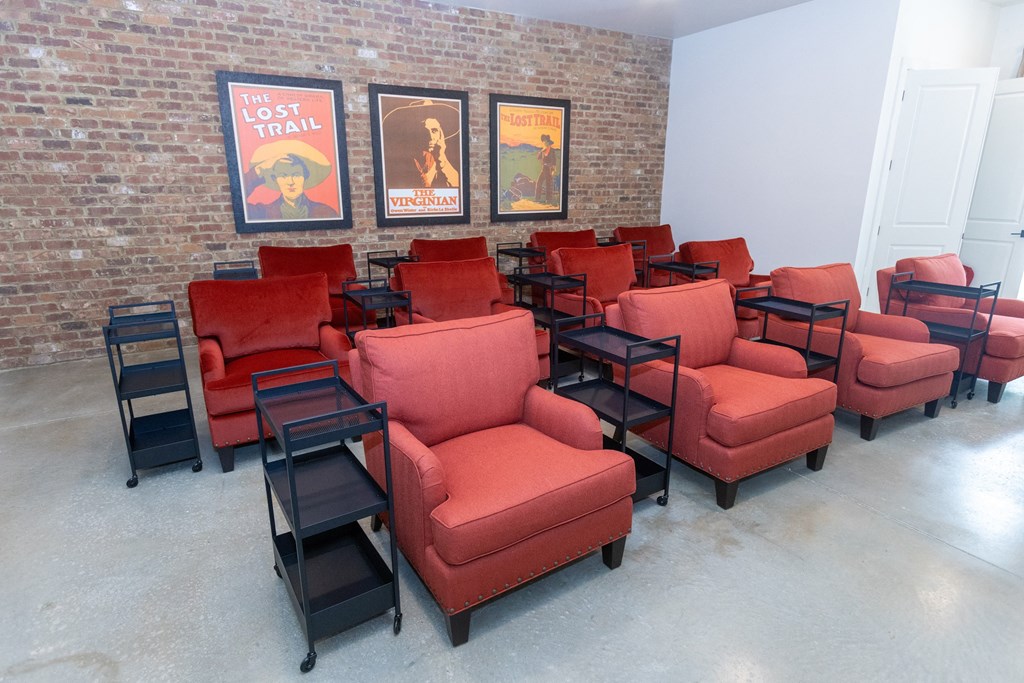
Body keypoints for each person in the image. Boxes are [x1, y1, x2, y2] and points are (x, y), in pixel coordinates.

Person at [244, 140, 338, 221]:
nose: (290, 182)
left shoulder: (325, 212)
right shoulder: (263, 212)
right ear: (275, 180)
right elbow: (238, 202)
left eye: (296, 175)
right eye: (283, 176)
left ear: (305, 177)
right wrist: (260, 169)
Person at [380, 99, 461, 189]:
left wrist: (441, 158)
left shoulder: (442, 163)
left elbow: (457, 186)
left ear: (441, 134)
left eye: (434, 131)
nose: (430, 137)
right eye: (423, 131)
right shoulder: (398, 165)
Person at [535, 133, 558, 205]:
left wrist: (553, 169)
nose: (544, 142)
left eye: (546, 141)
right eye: (544, 141)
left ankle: (549, 200)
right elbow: (538, 158)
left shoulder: (552, 151)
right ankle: (537, 199)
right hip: (543, 168)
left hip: (549, 169)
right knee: (539, 183)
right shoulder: (543, 150)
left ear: (548, 142)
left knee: (549, 184)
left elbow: (554, 161)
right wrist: (541, 151)